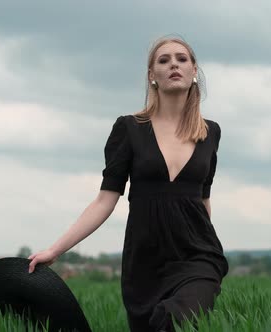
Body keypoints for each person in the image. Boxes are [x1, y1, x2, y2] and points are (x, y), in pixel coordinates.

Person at [27, 36, 229, 332]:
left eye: (182, 59)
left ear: (194, 71)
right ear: (152, 76)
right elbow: (104, 201)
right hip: (144, 261)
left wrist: (207, 244)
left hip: (198, 256)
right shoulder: (129, 129)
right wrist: (55, 250)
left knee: (175, 319)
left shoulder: (210, 133)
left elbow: (202, 200)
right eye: (163, 60)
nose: (173, 64)